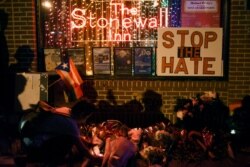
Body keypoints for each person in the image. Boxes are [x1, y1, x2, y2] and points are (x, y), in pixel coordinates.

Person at [19, 100, 101, 166]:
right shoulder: (70, 124)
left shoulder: (65, 110)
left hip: (28, 139)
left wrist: (89, 144)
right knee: (68, 140)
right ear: (82, 114)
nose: (85, 120)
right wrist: (94, 159)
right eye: (87, 117)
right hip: (35, 147)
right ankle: (50, 162)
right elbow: (81, 148)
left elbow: (76, 136)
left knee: (69, 138)